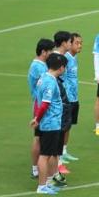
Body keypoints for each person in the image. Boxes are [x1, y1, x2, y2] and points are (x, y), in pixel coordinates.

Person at [30, 53, 68, 195]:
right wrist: (37, 119)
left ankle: (47, 183)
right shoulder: (51, 82)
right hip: (50, 123)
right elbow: (45, 104)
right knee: (45, 155)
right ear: (61, 67)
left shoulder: (43, 78)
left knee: (50, 154)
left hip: (47, 122)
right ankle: (42, 186)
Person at [28, 38, 54, 179]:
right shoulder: (39, 67)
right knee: (39, 138)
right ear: (44, 52)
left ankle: (39, 168)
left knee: (40, 137)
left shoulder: (41, 65)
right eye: (50, 51)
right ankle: (37, 168)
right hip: (40, 106)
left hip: (41, 105)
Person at [53, 31, 73, 175]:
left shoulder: (63, 57)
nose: (71, 44)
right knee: (58, 133)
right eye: (70, 42)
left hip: (66, 99)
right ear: (64, 43)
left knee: (64, 130)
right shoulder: (55, 58)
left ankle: (59, 161)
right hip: (58, 102)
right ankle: (56, 165)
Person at [62, 33, 82, 163]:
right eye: (76, 43)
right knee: (64, 126)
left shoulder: (74, 58)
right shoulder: (66, 58)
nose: (79, 45)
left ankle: (64, 151)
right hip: (67, 98)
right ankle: (59, 154)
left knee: (68, 126)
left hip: (74, 97)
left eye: (81, 43)